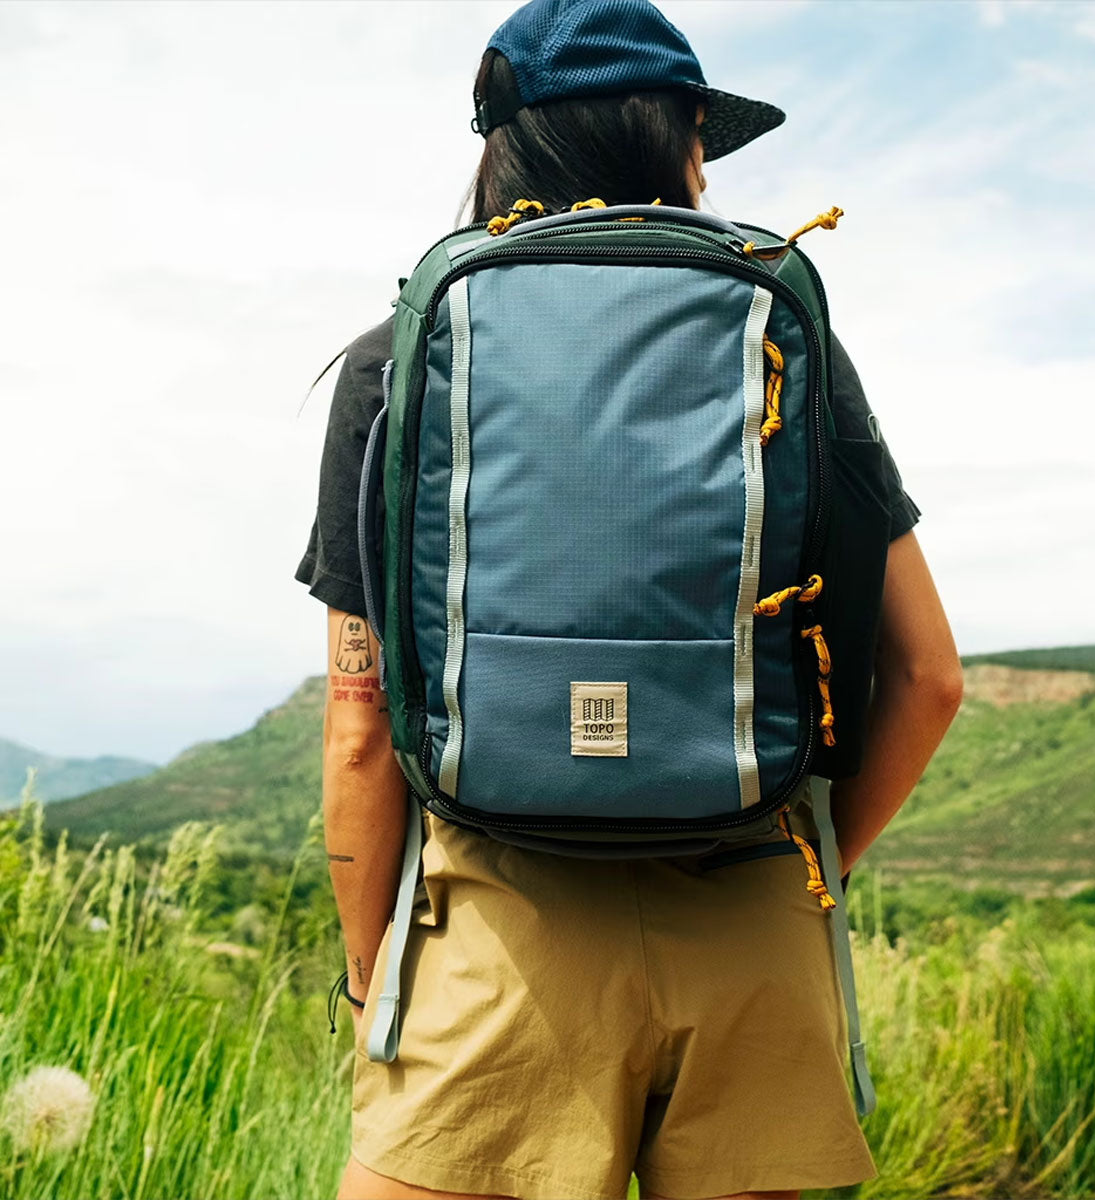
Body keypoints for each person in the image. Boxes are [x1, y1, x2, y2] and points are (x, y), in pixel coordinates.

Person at [296, 2, 963, 1197]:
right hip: (756, 928)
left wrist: (370, 976)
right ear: (678, 140)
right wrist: (805, 879)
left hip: (496, 945)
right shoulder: (777, 332)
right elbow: (928, 680)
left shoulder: (400, 352)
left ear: (502, 148)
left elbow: (360, 726)